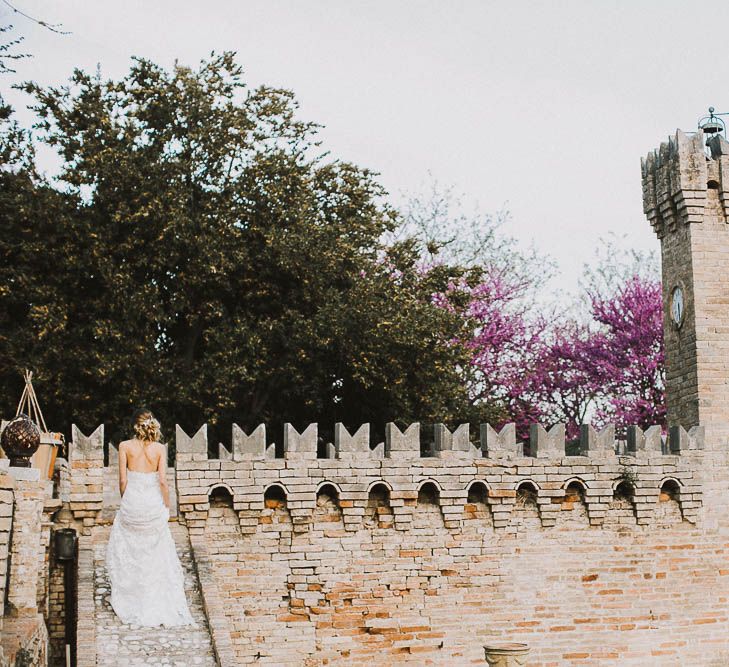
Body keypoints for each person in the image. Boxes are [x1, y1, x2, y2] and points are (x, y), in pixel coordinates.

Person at [105, 408, 195, 627]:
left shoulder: (125, 446)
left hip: (132, 505)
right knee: (155, 553)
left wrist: (128, 501)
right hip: (152, 507)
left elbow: (123, 482)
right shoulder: (159, 449)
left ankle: (133, 598)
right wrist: (167, 505)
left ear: (134, 425)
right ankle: (154, 598)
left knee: (131, 551)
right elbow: (163, 481)